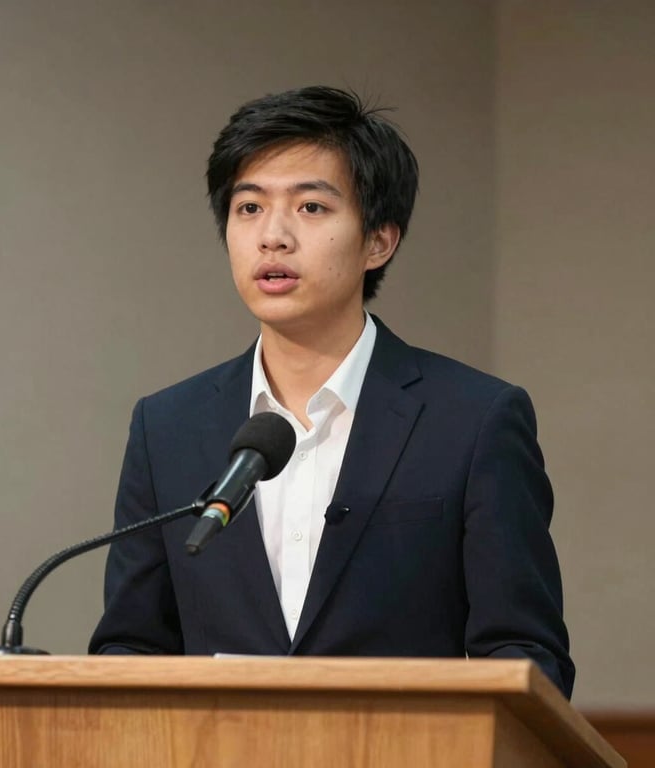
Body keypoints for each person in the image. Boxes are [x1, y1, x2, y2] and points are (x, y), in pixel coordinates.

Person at [89, 86, 575, 699]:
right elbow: (131, 646)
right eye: (249, 209)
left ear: (379, 241)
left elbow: (526, 655)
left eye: (312, 208)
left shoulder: (473, 419)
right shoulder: (167, 427)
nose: (274, 237)